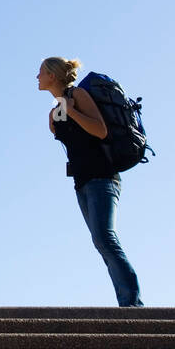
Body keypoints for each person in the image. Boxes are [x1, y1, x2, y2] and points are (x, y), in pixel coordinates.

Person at [38, 57, 144, 307]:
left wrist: (73, 110)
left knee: (105, 237)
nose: (37, 77)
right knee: (100, 240)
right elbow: (65, 137)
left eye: (41, 72)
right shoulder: (56, 110)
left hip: (103, 177)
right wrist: (58, 116)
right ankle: (128, 300)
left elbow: (100, 131)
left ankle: (132, 303)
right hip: (82, 182)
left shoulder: (79, 95)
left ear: (53, 75)